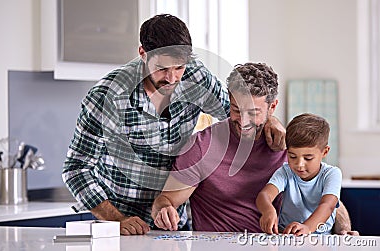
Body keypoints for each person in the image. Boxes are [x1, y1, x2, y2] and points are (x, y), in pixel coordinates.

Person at [62, 14, 285, 236]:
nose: (171, 78)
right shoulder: (108, 97)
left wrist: (270, 120)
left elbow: (237, 109)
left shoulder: (196, 76)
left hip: (174, 219)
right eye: (162, 68)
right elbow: (76, 169)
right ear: (143, 54)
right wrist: (117, 220)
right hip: (122, 220)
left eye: (179, 67)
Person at [151, 63, 358, 235]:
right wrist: (164, 210)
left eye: (253, 113)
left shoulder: (290, 147)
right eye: (235, 110)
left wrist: (344, 231)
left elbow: (325, 196)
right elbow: (165, 199)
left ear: (272, 107)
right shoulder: (202, 146)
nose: (243, 121)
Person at [256, 113, 341, 236]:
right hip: (286, 234)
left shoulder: (331, 174)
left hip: (320, 236)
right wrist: (268, 210)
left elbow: (328, 205)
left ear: (325, 152)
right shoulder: (285, 172)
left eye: (308, 158)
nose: (299, 164)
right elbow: (264, 195)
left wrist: (307, 227)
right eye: (292, 156)